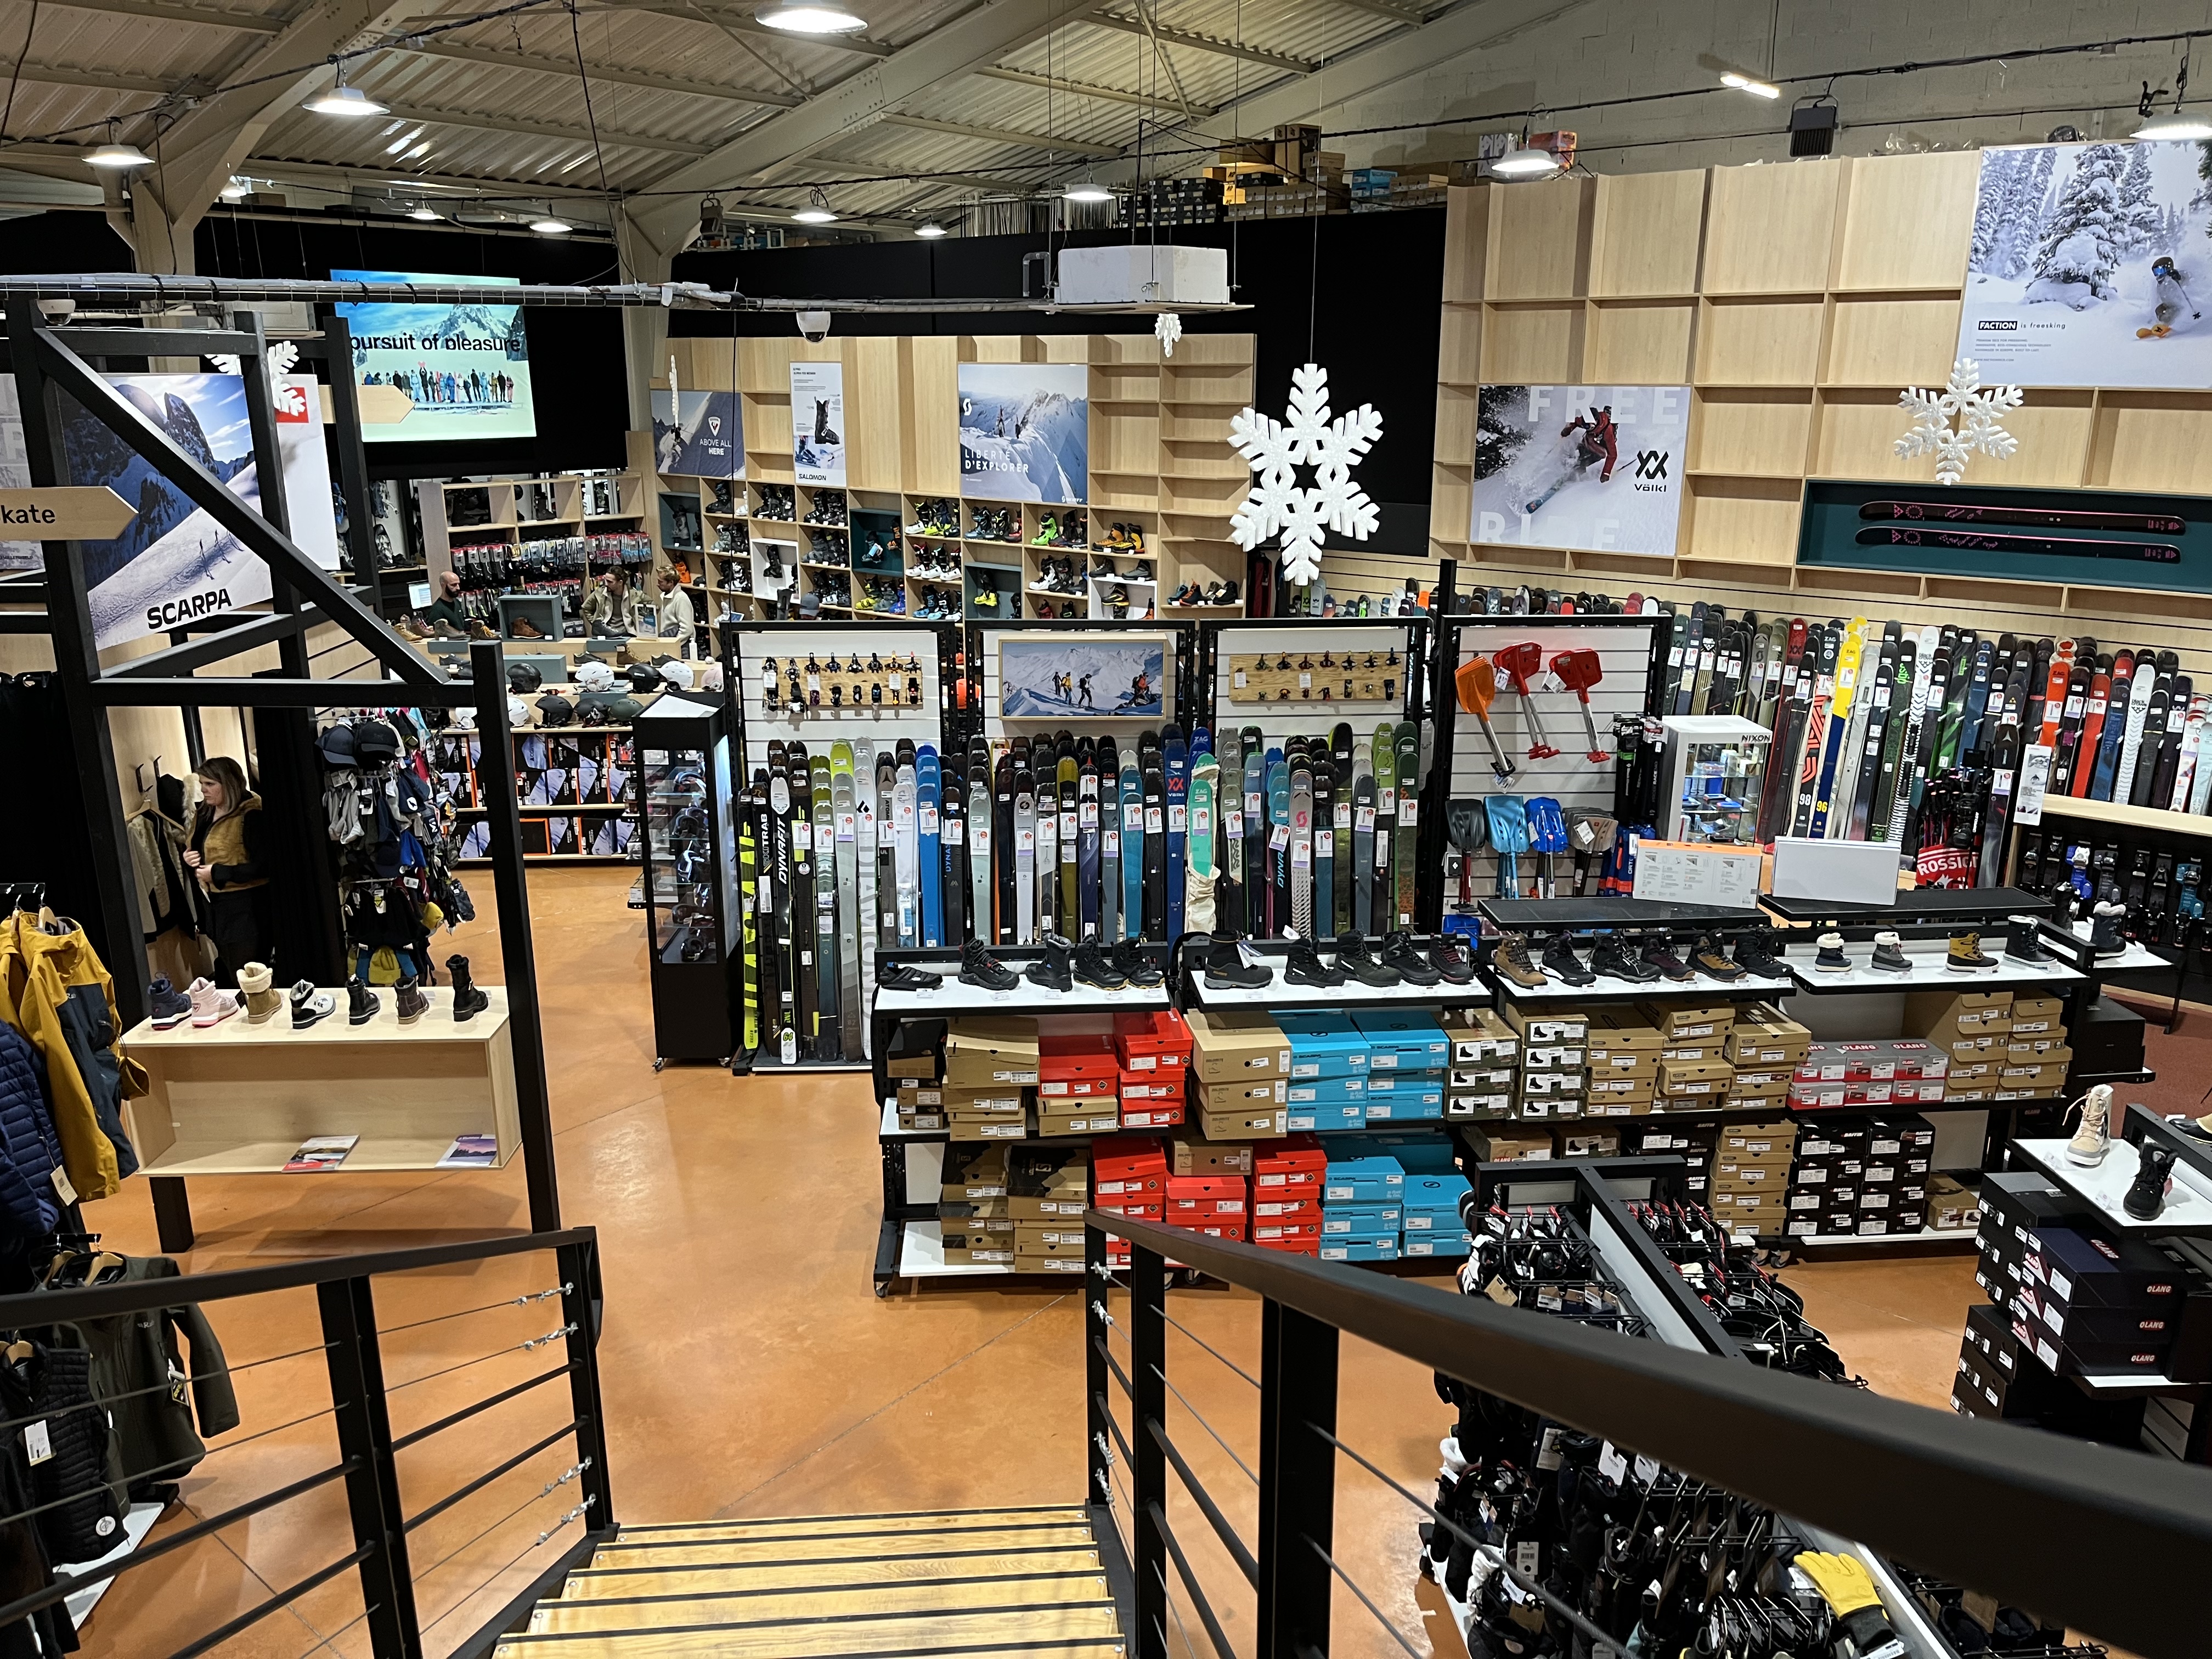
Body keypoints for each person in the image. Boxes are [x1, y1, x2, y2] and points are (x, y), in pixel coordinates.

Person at [183, 757, 269, 989]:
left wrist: (218, 873)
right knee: (230, 969)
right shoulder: (205, 811)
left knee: (247, 973)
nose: (203, 789)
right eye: (202, 783)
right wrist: (189, 857)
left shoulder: (251, 814)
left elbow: (265, 867)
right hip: (215, 906)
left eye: (210, 784)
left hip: (246, 907)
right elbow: (197, 847)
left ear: (228, 783)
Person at [583, 569, 642, 635]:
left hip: (629, 634)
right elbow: (586, 607)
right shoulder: (600, 593)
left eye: (610, 582)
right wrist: (596, 624)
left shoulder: (635, 595)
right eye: (605, 580)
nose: (606, 584)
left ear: (620, 583)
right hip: (606, 634)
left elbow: (651, 607)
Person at [656, 567, 697, 658]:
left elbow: (687, 629)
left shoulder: (681, 598)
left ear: (671, 582)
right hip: (669, 644)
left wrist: (672, 645)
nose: (658, 584)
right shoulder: (666, 596)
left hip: (680, 648)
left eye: (661, 582)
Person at [416, 568, 467, 633]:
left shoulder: (457, 602)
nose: (458, 588)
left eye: (458, 584)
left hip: (462, 637)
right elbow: (434, 634)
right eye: (453, 585)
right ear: (443, 585)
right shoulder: (437, 610)